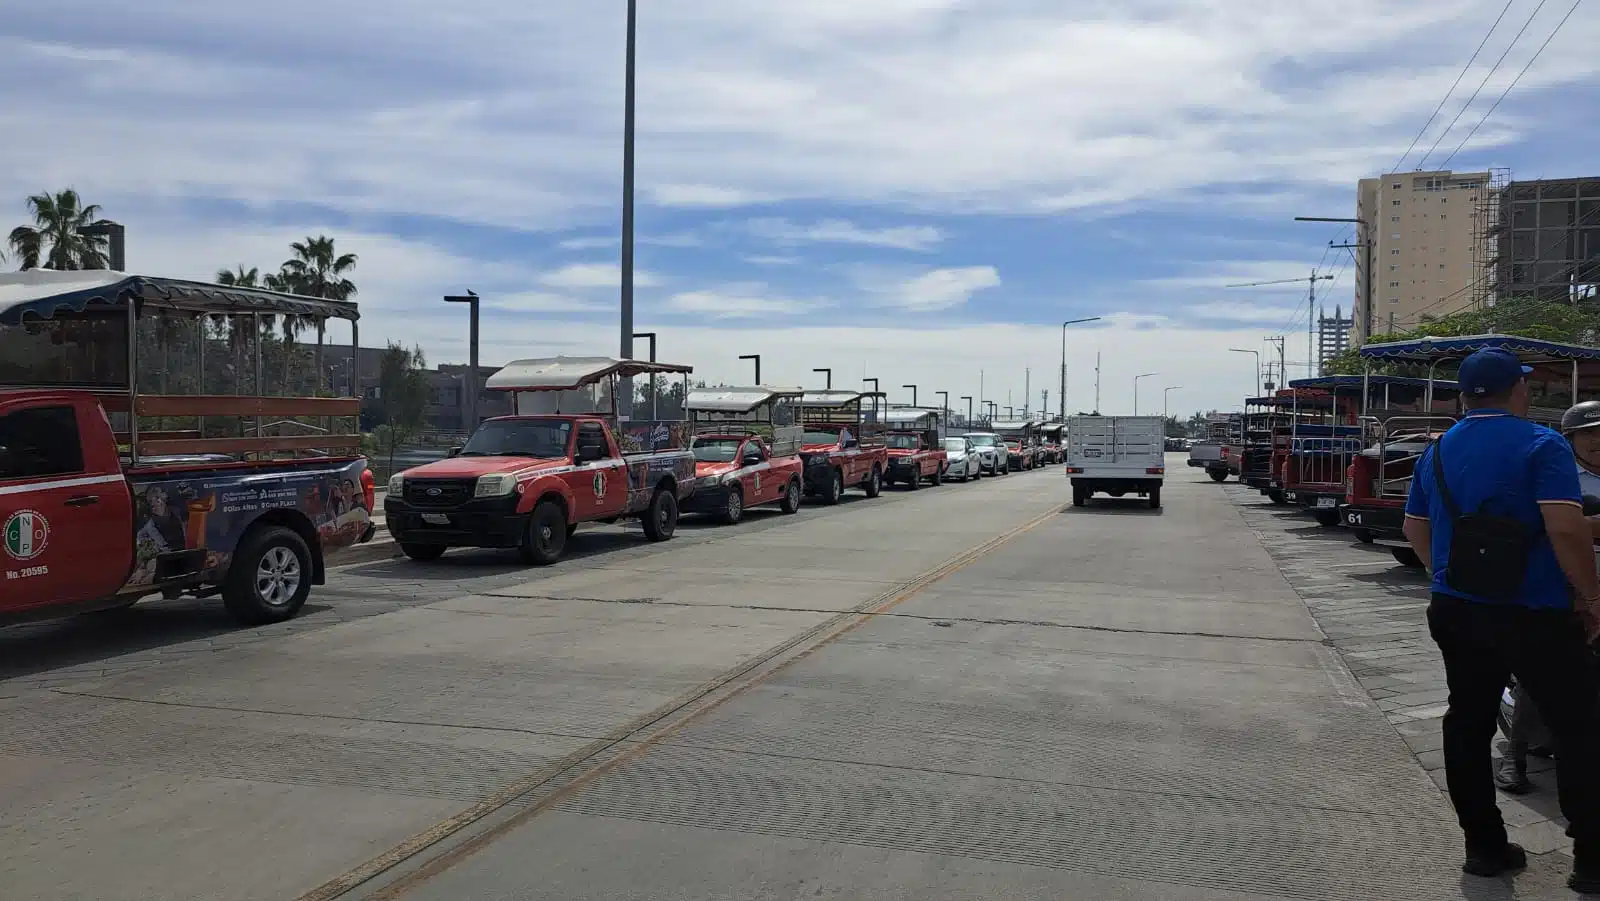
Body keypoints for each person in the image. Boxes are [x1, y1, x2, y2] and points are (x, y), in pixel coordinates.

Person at [1402, 348, 1600, 892]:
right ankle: (1591, 858)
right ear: (1517, 389)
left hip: (1457, 609)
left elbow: (1416, 530)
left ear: (1467, 395)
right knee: (1580, 726)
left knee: (1467, 721)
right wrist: (1591, 597)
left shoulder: (1437, 453)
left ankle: (1484, 848)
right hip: (1535, 612)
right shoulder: (1543, 444)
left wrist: (1450, 579)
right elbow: (1566, 529)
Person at [1497, 400, 1600, 794]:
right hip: (1560, 588)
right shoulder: (1557, 472)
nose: (1596, 442)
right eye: (1588, 434)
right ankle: (1515, 754)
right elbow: (1552, 527)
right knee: (1537, 673)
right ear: (1571, 438)